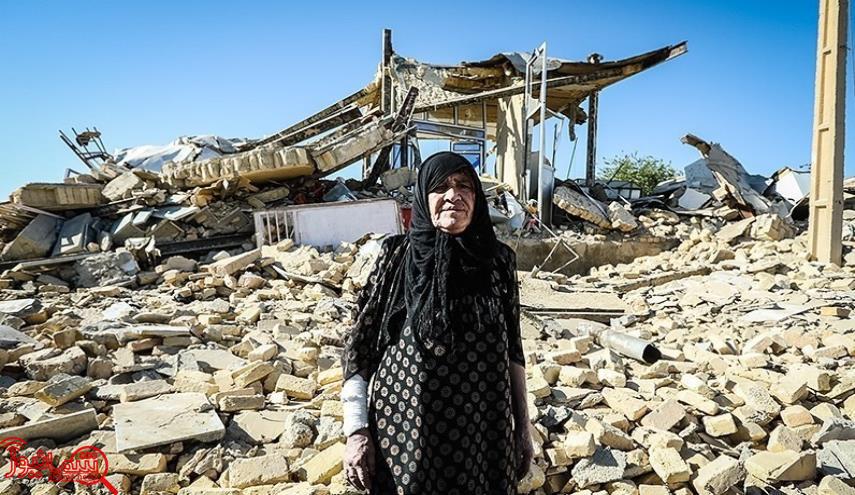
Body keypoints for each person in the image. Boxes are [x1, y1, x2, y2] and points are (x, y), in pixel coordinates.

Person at [339, 151, 532, 494]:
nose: (453, 195)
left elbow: (513, 352)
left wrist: (523, 429)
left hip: (483, 433)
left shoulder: (498, 260)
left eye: (464, 186)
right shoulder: (396, 255)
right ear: (423, 197)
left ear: (477, 197)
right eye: (440, 187)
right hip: (405, 435)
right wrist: (356, 430)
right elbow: (359, 348)